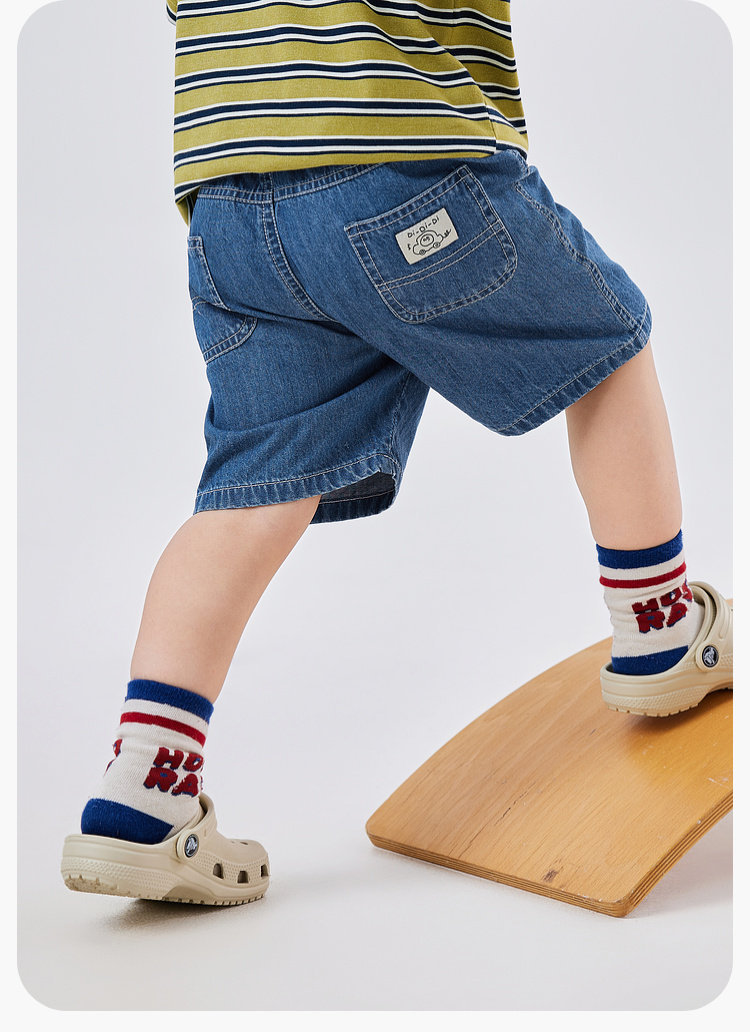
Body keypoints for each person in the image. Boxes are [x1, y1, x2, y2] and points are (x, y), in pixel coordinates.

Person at [60, 1, 733, 905]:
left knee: (253, 489)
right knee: (606, 348)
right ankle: (660, 628)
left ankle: (144, 790)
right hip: (394, 155)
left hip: (229, 211)